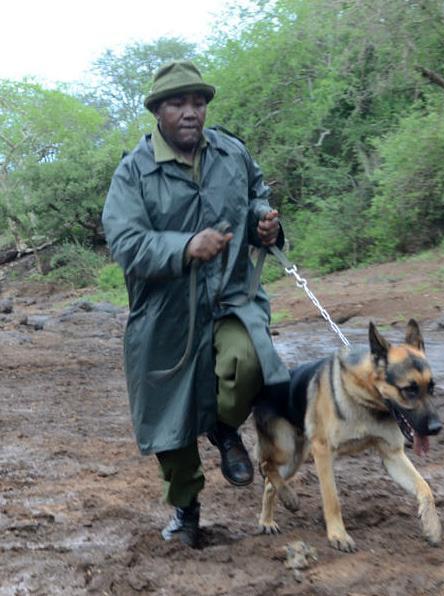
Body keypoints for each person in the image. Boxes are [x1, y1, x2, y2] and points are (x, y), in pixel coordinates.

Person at [102, 61, 289, 548]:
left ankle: (225, 431)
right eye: (177, 104)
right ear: (157, 111)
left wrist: (263, 222)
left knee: (248, 361)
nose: (190, 112)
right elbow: (125, 242)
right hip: (164, 313)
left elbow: (256, 196)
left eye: (198, 103)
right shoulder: (134, 173)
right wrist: (183, 248)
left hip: (230, 297)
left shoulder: (232, 152)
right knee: (169, 419)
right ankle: (186, 511)